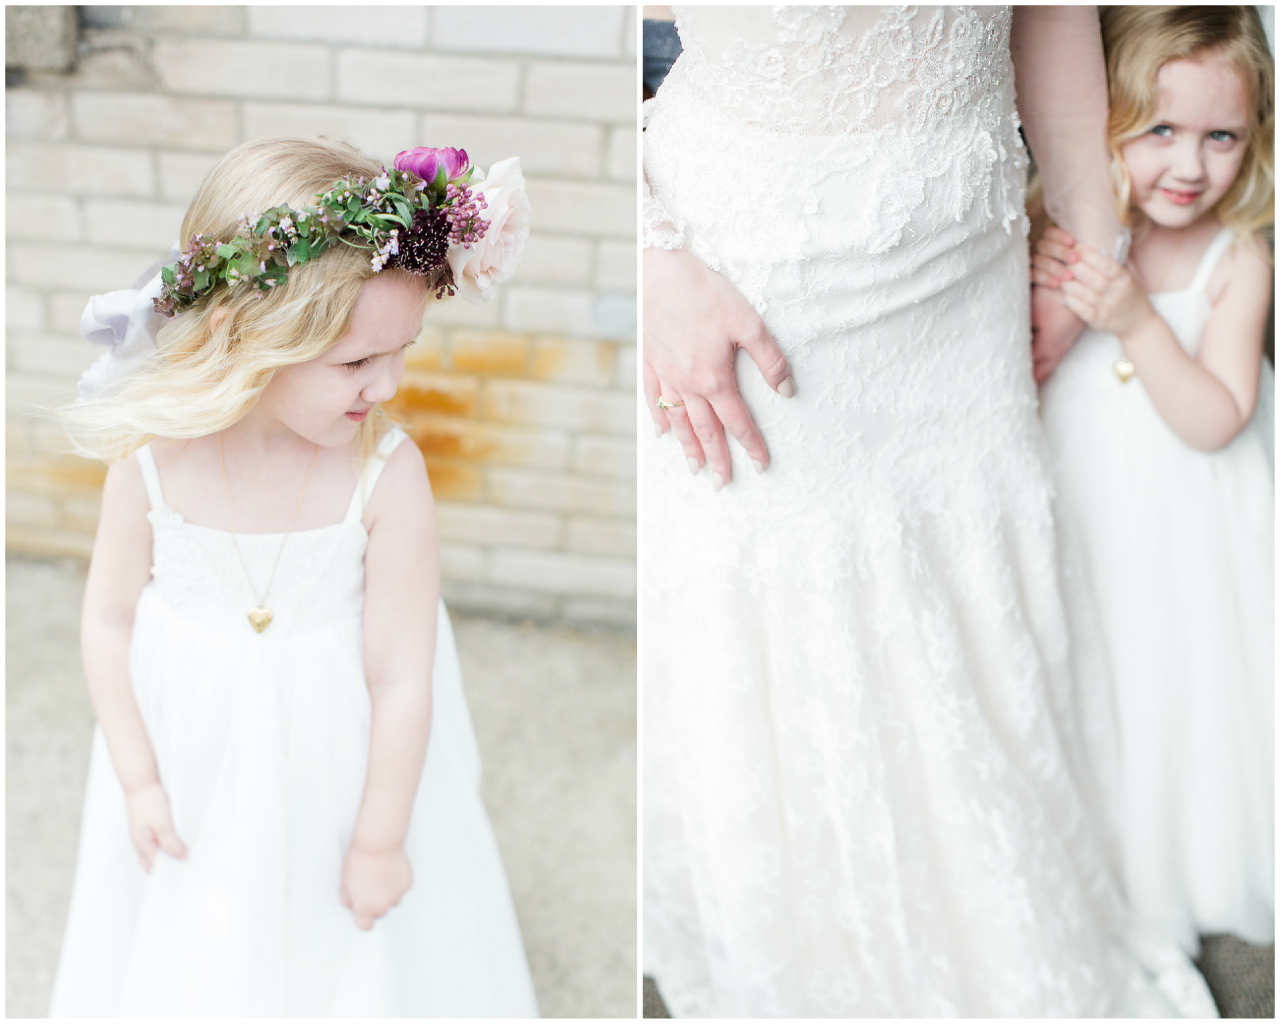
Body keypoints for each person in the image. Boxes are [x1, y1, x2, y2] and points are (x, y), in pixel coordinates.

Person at [642, 7, 1220, 1016]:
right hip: (757, 284)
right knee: (795, 617)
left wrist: (1090, 235)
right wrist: (647, 262)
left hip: (967, 276)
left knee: (970, 587)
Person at [48, 136, 538, 1016]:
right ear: (243, 338)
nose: (387, 386)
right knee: (202, 935)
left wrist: (379, 841)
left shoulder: (385, 475)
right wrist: (138, 780)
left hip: (342, 766)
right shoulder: (151, 463)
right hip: (187, 759)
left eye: (402, 350)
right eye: (355, 363)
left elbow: (402, 676)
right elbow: (108, 622)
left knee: (335, 945)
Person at [1032, 6, 1274, 959]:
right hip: (1090, 505)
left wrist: (1137, 321)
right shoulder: (1073, 229)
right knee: (1089, 671)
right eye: (1161, 129)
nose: (1190, 165)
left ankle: (1169, 863)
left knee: (1170, 684)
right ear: (1107, 119)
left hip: (1186, 530)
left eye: (1223, 137)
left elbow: (1218, 418)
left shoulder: (1237, 260)